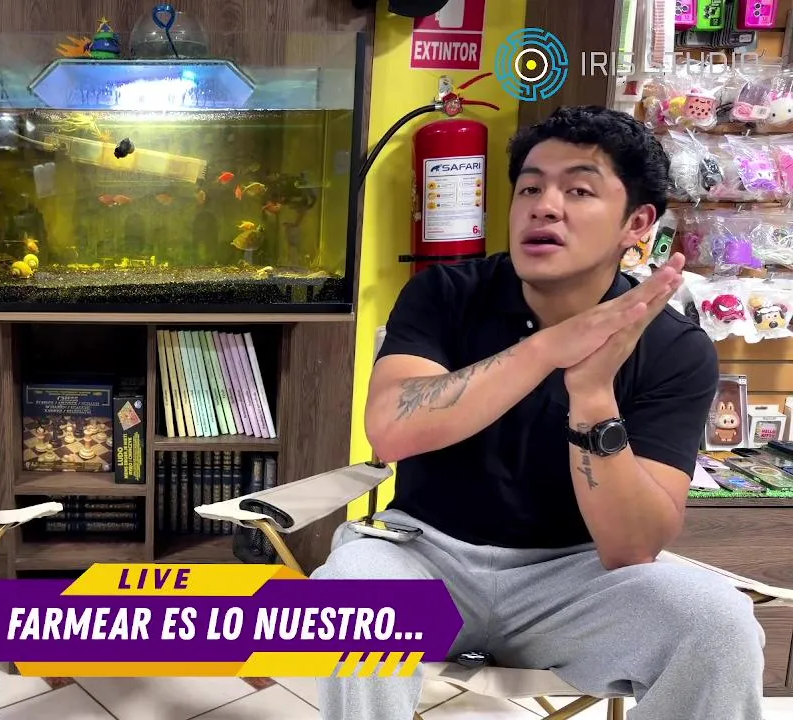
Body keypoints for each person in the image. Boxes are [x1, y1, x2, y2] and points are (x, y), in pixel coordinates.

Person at [312, 106, 763, 719]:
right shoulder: (445, 293)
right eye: (530, 188)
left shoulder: (674, 349)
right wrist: (548, 348)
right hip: (423, 558)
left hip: (575, 581)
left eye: (578, 190)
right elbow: (391, 432)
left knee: (718, 623)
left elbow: (632, 547)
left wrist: (593, 394)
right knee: (353, 590)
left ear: (637, 222)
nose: (545, 207)